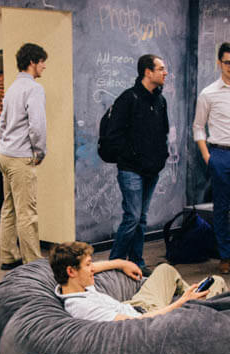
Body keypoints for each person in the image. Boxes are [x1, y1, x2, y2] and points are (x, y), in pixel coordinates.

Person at [50, 241, 228, 321]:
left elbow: (97, 267)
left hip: (136, 303)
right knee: (218, 281)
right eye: (88, 265)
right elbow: (136, 323)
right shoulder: (82, 307)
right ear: (71, 271)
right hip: (148, 315)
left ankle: (195, 300)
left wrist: (121, 263)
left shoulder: (71, 285)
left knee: (165, 269)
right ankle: (197, 308)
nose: (93, 269)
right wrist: (181, 304)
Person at [106, 54, 170, 276]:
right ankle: (113, 264)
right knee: (132, 217)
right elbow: (114, 135)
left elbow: (163, 133)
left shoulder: (160, 101)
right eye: (161, 68)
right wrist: (132, 156)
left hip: (152, 169)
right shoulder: (128, 98)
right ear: (148, 72)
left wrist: (161, 157)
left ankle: (136, 263)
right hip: (131, 169)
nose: (165, 72)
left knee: (141, 218)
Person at [0, 42, 48, 270]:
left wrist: (5, 144)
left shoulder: (12, 88)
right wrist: (39, 150)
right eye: (42, 62)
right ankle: (34, 262)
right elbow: (37, 125)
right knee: (27, 211)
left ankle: (8, 255)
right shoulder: (34, 89)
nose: (44, 67)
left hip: (5, 154)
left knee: (9, 206)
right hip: (20, 157)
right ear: (32, 62)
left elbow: (1, 124)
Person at [193, 41, 230, 274]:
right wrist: (208, 157)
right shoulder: (208, 93)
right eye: (227, 62)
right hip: (221, 154)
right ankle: (226, 256)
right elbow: (198, 126)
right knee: (222, 208)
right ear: (219, 63)